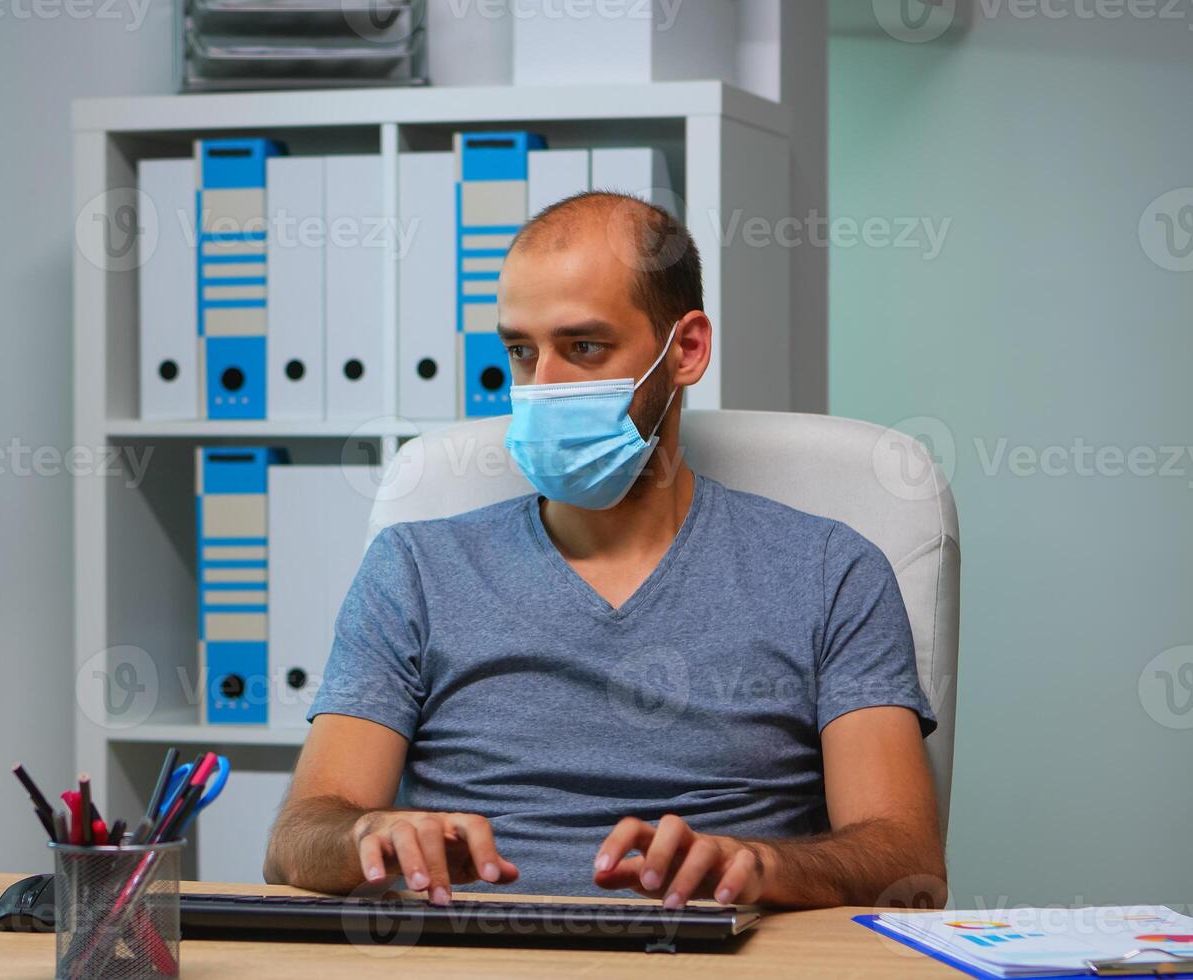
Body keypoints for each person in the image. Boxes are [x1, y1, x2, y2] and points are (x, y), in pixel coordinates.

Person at [263, 192, 945, 909]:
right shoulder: (415, 570)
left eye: (583, 348)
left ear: (685, 351)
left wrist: (760, 867)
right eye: (522, 353)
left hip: (713, 956)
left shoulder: (831, 572)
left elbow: (908, 861)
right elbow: (299, 837)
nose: (543, 388)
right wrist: (366, 834)